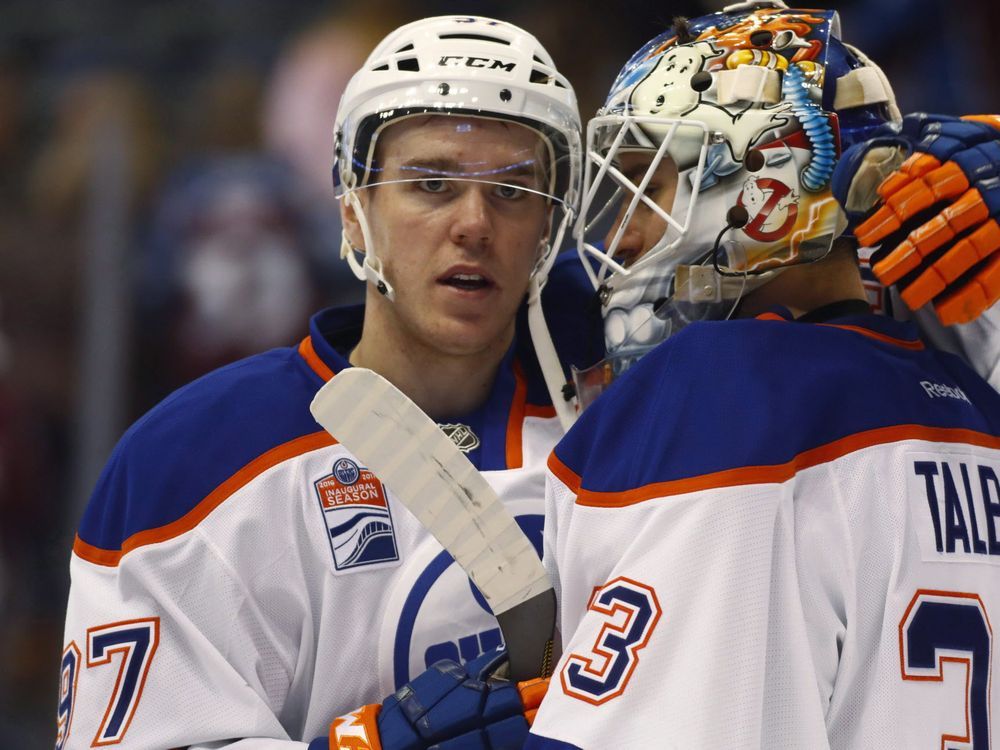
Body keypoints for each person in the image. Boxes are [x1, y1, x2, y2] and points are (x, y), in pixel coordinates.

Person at [327, 3, 1000, 749]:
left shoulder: (717, 389)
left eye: (651, 183)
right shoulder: (971, 396)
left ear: (765, 199)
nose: (623, 233)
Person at [55, 16, 586, 749]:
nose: (474, 223)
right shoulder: (195, 460)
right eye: (432, 183)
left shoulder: (621, 426)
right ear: (353, 210)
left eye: (512, 192)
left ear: (550, 225)